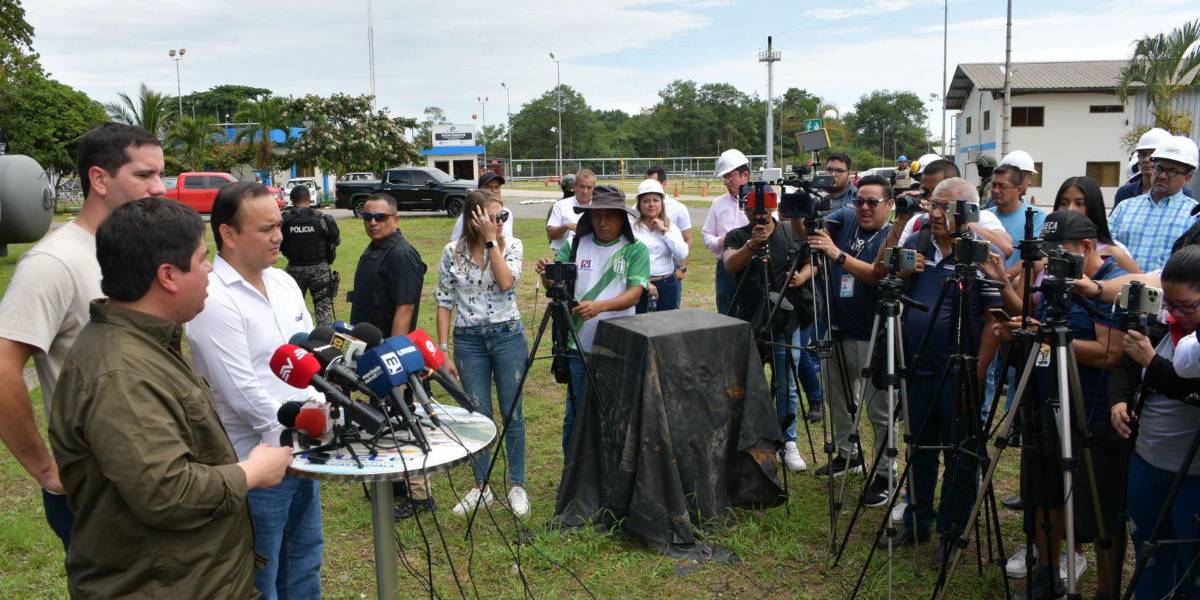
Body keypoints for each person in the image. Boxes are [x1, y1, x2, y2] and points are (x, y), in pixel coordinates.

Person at [49, 197, 292, 598]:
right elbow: (166, 492)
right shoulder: (121, 375)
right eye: (201, 259)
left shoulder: (147, 343)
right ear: (168, 275)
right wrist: (251, 472)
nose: (211, 268)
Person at [0, 123, 165, 550]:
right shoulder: (53, 262)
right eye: (144, 176)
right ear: (99, 179)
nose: (160, 188)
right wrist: (45, 469)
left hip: (154, 478)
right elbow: (3, 367)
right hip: (94, 488)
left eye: (160, 174)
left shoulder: (133, 251)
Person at [185, 182, 324, 599]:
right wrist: (293, 432)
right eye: (266, 229)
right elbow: (240, 390)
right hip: (255, 461)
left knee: (304, 560)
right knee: (261, 574)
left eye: (279, 225)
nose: (278, 236)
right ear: (228, 234)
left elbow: (310, 354)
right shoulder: (213, 298)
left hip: (304, 451)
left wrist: (320, 414)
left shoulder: (282, 283)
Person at [999, 210, 1128, 598]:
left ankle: (1107, 591)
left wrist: (1055, 340)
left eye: (1059, 254)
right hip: (1046, 403)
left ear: (1086, 247)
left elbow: (1110, 352)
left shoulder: (1110, 284)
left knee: (1102, 512)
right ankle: (1047, 571)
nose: (1049, 263)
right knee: (1044, 493)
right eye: (1047, 254)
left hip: (1091, 413)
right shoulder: (1054, 281)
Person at [882, 177, 1001, 556]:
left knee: (959, 454)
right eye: (932, 204)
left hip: (960, 372)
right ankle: (918, 520)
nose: (933, 214)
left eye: (943, 207)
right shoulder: (916, 242)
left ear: (966, 212)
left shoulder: (980, 253)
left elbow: (995, 318)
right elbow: (887, 277)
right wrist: (902, 272)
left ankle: (952, 529)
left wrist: (979, 370)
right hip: (917, 366)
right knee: (920, 447)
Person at [1109, 245, 1200, 600]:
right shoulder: (1160, 321)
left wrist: (1154, 363)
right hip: (1147, 461)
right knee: (1150, 555)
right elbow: (1125, 364)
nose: (1175, 314)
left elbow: (1189, 386)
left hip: (1192, 475)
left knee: (1191, 569)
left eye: (1187, 307)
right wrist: (1118, 401)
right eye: (1170, 304)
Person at [436, 191, 530, 518]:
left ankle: (516, 484)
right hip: (468, 340)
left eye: (502, 216)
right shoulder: (453, 252)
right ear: (474, 219)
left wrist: (493, 243)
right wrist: (444, 349)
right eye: (493, 217)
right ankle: (482, 486)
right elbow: (444, 301)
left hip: (507, 335)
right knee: (477, 416)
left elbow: (505, 283)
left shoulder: (512, 245)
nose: (500, 222)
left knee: (512, 411)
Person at [536, 185, 649, 455]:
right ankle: (573, 472)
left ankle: (609, 471)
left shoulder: (635, 249)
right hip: (577, 344)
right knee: (575, 413)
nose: (603, 221)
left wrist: (600, 306)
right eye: (597, 215)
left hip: (617, 345)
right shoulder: (574, 244)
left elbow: (635, 294)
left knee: (613, 410)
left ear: (623, 218)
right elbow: (556, 282)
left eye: (610, 215)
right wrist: (547, 275)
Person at [806, 175, 895, 505]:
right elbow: (811, 237)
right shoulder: (845, 219)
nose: (865, 208)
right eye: (860, 201)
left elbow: (876, 274)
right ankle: (848, 454)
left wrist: (836, 254)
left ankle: (886, 472)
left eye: (873, 202)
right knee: (837, 397)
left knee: (880, 410)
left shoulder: (894, 235)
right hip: (838, 327)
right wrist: (805, 208)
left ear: (890, 204)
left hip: (873, 333)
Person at [347, 193, 433, 517]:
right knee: (383, 417)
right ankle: (396, 481)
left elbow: (405, 308)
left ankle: (420, 494)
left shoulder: (401, 254)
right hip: (372, 351)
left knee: (404, 418)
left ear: (395, 219)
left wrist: (393, 362)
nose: (372, 222)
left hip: (391, 354)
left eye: (380, 217)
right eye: (367, 217)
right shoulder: (375, 249)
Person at [722, 186, 814, 473]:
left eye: (762, 207)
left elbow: (813, 260)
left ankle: (788, 441)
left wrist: (803, 275)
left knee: (786, 381)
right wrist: (750, 246)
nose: (757, 213)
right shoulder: (738, 236)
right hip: (751, 318)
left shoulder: (789, 232)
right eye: (750, 207)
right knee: (748, 382)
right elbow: (728, 264)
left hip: (787, 319)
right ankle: (749, 440)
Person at [1109, 135, 1199, 273]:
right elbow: (1104, 248)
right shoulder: (1125, 208)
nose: (1162, 176)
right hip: (1118, 291)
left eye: (1172, 171)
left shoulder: (1194, 217)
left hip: (1167, 293)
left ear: (1187, 177)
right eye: (1159, 168)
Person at [1052, 176, 1140, 273]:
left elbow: (1144, 284)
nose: (1070, 209)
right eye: (1064, 203)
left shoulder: (1115, 254)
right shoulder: (1047, 248)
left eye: (1079, 203)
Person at [281, 184, 341, 326]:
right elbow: (336, 240)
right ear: (310, 198)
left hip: (294, 269)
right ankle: (324, 341)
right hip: (319, 269)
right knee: (323, 309)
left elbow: (279, 243)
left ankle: (294, 343)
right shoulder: (322, 218)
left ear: (291, 199)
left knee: (293, 310)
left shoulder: (285, 220)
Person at [703, 149, 752, 315]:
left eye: (731, 176)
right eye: (725, 177)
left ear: (745, 175)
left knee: (754, 311)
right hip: (726, 268)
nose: (727, 181)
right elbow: (706, 236)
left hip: (753, 267)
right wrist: (720, 242)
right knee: (726, 312)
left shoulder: (764, 201)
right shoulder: (718, 204)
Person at [632, 179, 688, 313]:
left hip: (666, 283)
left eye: (655, 200)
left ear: (661, 203)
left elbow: (681, 254)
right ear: (639, 204)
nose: (651, 204)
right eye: (646, 201)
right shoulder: (631, 227)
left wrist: (664, 231)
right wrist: (645, 283)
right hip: (638, 284)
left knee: (665, 326)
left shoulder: (671, 227)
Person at [988, 161, 1047, 277]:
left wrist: (1002, 279)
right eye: (993, 185)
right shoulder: (985, 215)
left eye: (1002, 186)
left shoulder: (1036, 216)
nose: (995, 190)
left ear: (1019, 190)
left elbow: (1033, 255)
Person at [1113, 127, 1193, 207]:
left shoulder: (1184, 195)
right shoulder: (1125, 192)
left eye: (1153, 154)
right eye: (1143, 154)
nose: (1146, 160)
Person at [646, 166, 694, 288]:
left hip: (672, 266)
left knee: (670, 306)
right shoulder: (637, 208)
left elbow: (688, 238)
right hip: (644, 267)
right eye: (647, 182)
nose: (650, 187)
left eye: (654, 183)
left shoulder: (678, 208)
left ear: (664, 183)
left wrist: (682, 267)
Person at [451, 171, 514, 242]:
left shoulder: (507, 213)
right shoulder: (468, 216)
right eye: (489, 187)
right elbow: (455, 244)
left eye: (497, 187)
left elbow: (509, 239)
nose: (494, 191)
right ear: (480, 191)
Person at [546, 169, 595, 252]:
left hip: (591, 255)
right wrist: (567, 226)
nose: (585, 191)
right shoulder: (560, 205)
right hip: (564, 257)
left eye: (589, 187)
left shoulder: (600, 207)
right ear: (575, 187)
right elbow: (551, 235)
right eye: (582, 187)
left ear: (594, 188)